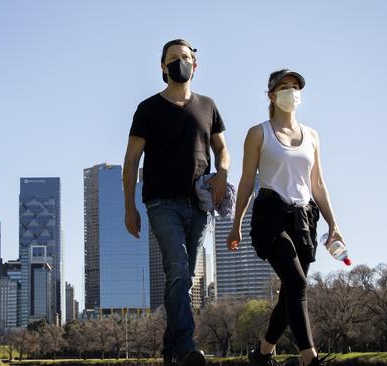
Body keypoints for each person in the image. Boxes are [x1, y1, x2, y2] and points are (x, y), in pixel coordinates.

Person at [123, 39, 230, 366]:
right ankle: (185, 345)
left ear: (194, 66)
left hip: (199, 204)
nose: (179, 62)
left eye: (185, 58)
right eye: (173, 58)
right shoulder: (148, 108)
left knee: (183, 278)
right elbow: (130, 162)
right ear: (162, 67)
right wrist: (130, 207)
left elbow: (221, 149)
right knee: (179, 269)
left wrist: (222, 171)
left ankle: (171, 350)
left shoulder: (208, 106)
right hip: (161, 203)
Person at [227, 69, 343, 366]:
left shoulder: (313, 136)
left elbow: (318, 184)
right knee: (297, 282)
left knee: (291, 290)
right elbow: (246, 182)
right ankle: (310, 357)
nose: (291, 91)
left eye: (295, 87)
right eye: (284, 87)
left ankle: (262, 354)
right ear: (271, 95)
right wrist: (236, 223)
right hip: (271, 216)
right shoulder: (258, 133)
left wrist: (334, 224)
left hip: (304, 218)